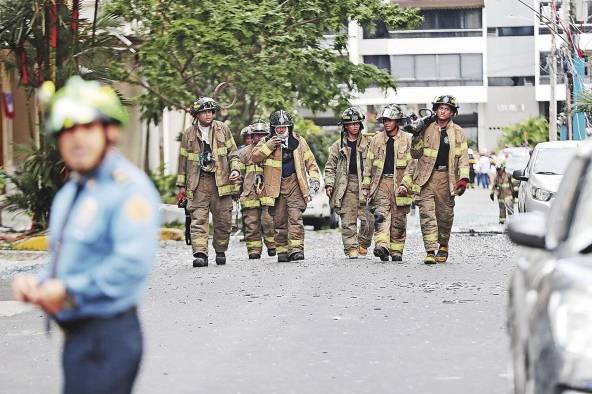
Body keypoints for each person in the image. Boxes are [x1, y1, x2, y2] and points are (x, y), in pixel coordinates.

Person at [11, 76, 160, 393]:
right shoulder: (71, 194)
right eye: (67, 130)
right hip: (77, 337)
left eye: (87, 128)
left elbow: (129, 268)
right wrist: (36, 284)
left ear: (110, 132)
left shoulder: (130, 190)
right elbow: (65, 261)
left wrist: (67, 291)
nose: (77, 139)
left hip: (109, 339)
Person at [176, 97, 242, 267]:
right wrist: (181, 187)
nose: (208, 115)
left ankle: (220, 250)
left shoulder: (223, 129)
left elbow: (233, 153)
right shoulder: (189, 134)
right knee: (198, 219)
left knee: (223, 221)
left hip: (221, 182)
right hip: (198, 183)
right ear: (197, 114)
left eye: (210, 111)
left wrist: (235, 169)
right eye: (204, 112)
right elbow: (183, 161)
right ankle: (200, 254)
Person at [251, 110, 321, 262]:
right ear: (273, 128)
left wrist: (314, 179)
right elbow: (254, 157)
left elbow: (311, 162)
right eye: (278, 127)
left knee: (295, 218)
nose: (281, 130)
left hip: (295, 184)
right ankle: (282, 251)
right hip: (275, 187)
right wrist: (269, 146)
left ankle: (296, 250)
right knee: (279, 221)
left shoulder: (298, 141)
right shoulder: (266, 141)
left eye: (284, 127)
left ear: (290, 127)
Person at [409, 95, 470, 264]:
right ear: (435, 109)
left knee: (444, 215)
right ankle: (429, 250)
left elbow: (463, 157)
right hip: (426, 177)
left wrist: (463, 179)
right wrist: (415, 135)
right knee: (427, 214)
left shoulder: (458, 132)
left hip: (446, 177)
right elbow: (414, 154)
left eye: (447, 109)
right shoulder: (425, 127)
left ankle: (443, 245)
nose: (443, 111)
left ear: (452, 113)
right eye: (440, 108)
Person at [362, 104, 416, 262]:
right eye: (385, 120)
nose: (387, 123)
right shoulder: (376, 140)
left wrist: (405, 184)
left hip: (401, 185)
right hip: (381, 183)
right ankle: (381, 245)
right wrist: (366, 186)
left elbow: (413, 165)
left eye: (390, 120)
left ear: (397, 121)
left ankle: (396, 250)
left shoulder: (408, 140)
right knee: (381, 215)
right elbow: (368, 165)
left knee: (399, 219)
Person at [324, 107, 374, 259]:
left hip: (365, 184)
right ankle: (351, 247)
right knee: (348, 219)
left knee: (369, 219)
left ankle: (363, 242)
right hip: (345, 185)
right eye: (351, 124)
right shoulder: (337, 146)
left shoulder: (369, 142)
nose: (355, 126)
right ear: (345, 126)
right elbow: (330, 167)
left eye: (357, 123)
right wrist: (329, 184)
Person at [237, 119, 276, 259]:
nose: (259, 138)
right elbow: (239, 175)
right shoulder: (243, 153)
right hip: (250, 195)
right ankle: (254, 251)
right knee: (251, 224)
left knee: (269, 221)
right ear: (251, 136)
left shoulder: (273, 149)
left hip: (268, 192)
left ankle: (272, 246)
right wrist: (236, 192)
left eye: (262, 134)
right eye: (256, 135)